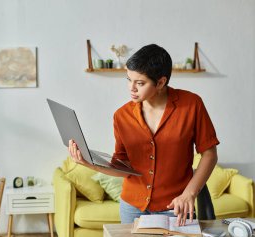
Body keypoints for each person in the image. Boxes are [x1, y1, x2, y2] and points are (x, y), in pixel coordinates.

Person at [69, 44, 219, 226]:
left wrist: (189, 193)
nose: (131, 88)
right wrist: (89, 163)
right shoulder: (121, 115)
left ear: (161, 82)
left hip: (175, 207)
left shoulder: (192, 105)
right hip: (131, 207)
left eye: (140, 83)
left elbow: (209, 154)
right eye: (128, 79)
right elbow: (122, 166)